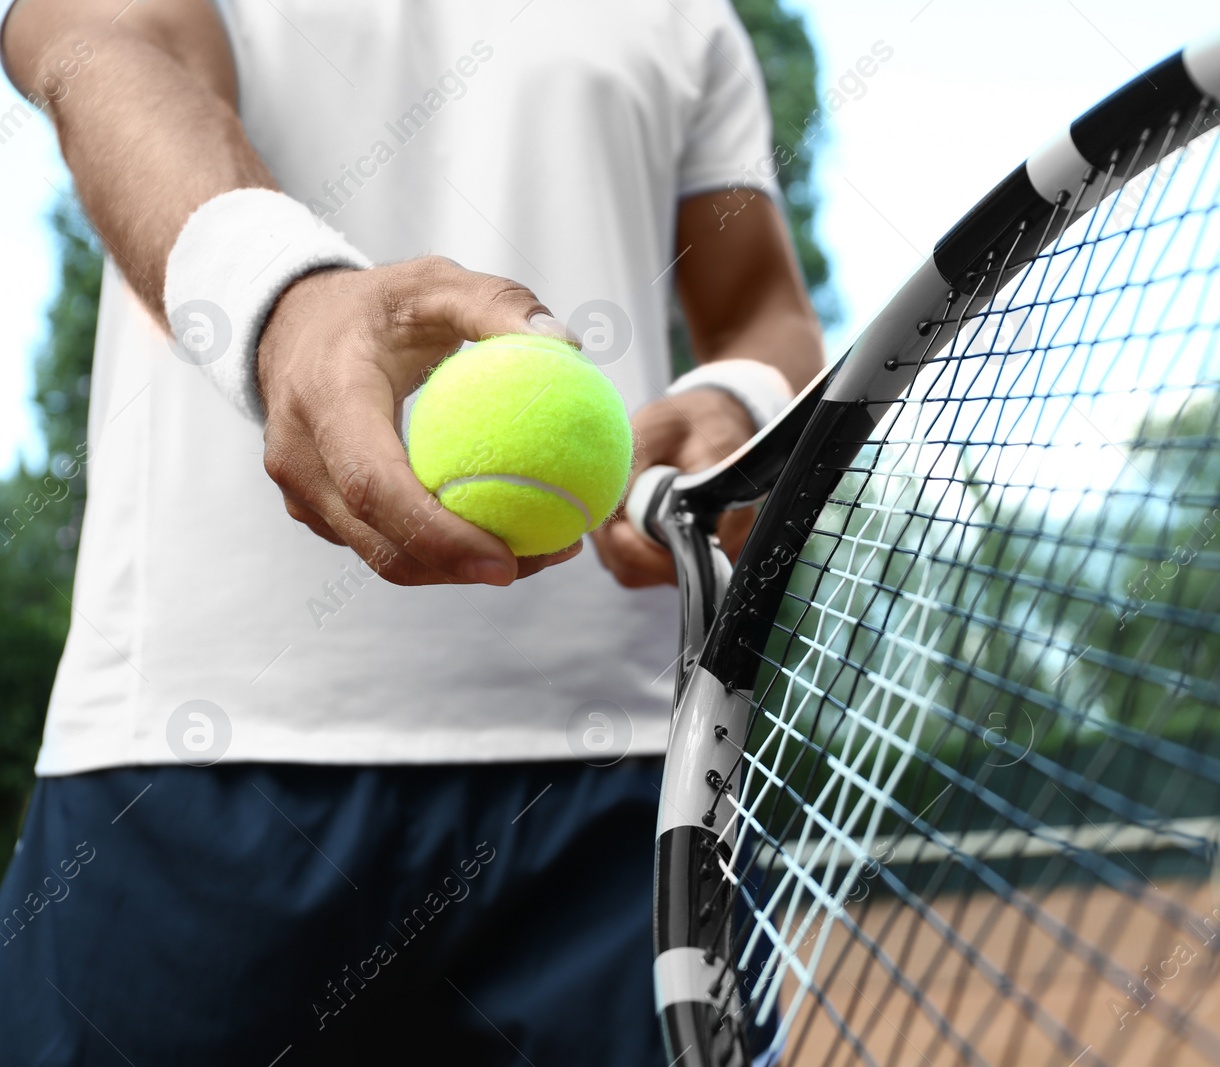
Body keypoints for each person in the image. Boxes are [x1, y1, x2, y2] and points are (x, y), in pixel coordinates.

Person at [0, 0, 823, 1063]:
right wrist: (284, 303)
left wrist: (737, 410)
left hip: (630, 785)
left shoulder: (689, 16)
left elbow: (765, 311)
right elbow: (94, 47)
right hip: (189, 760)